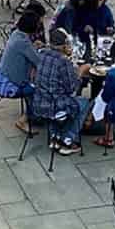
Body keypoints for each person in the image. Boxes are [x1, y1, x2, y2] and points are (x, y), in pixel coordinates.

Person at [31, 27, 89, 155]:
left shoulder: (41, 54)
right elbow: (72, 89)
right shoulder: (63, 62)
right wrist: (80, 72)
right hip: (54, 107)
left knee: (59, 97)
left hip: (38, 103)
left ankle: (55, 136)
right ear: (64, 45)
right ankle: (67, 140)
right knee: (84, 103)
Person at [0, 10, 42, 131]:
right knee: (38, 87)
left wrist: (33, 46)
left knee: (33, 77)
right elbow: (38, 61)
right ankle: (25, 119)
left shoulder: (16, 34)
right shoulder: (24, 42)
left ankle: (35, 114)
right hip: (8, 86)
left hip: (0, 78)